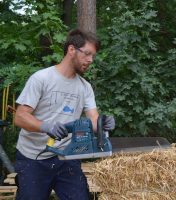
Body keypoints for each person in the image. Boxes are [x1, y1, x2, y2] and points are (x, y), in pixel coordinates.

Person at [14, 29, 115, 200]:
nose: (90, 60)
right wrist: (45, 126)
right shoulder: (42, 78)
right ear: (71, 50)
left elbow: (93, 118)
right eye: (87, 54)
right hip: (33, 159)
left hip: (67, 157)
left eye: (93, 56)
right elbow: (20, 116)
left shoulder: (85, 87)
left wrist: (103, 124)